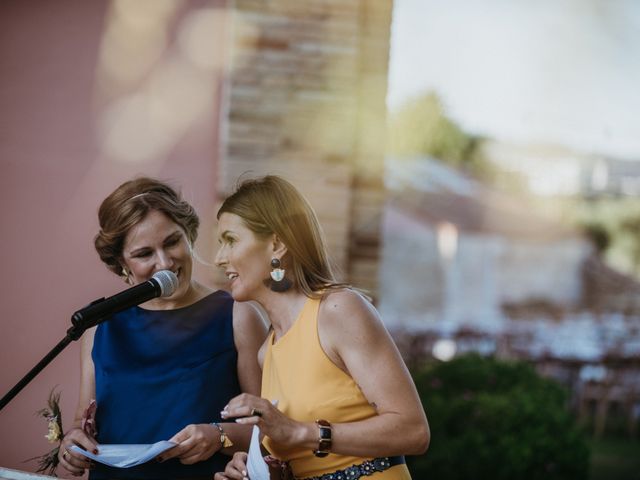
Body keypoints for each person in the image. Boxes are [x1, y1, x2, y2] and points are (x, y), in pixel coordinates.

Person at [212, 176, 430, 480]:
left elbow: (413, 430)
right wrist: (258, 469)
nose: (218, 258)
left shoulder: (338, 310)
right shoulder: (267, 351)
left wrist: (300, 432)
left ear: (276, 244)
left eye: (230, 240)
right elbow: (301, 458)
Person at [58, 177, 267, 479]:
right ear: (121, 264)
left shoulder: (238, 315)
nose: (165, 262)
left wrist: (218, 435)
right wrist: (72, 444)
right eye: (144, 254)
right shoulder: (99, 326)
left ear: (189, 235)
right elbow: (83, 422)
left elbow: (269, 431)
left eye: (172, 242)